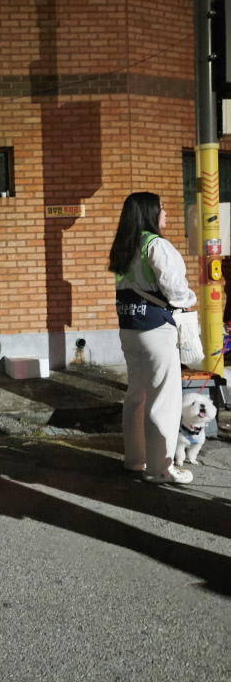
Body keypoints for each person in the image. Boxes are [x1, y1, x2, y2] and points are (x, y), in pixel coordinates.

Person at [109, 192, 197, 484]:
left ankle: (136, 460)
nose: (166, 212)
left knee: (136, 396)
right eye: (161, 208)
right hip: (156, 330)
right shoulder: (156, 245)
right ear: (148, 213)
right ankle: (160, 468)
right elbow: (176, 291)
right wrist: (191, 297)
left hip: (129, 329)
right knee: (163, 399)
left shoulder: (125, 247)